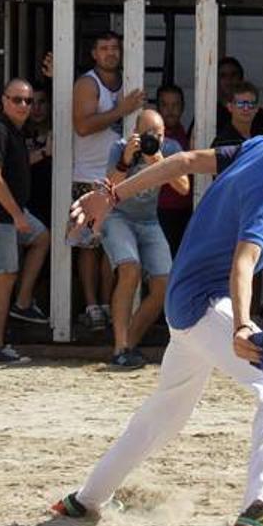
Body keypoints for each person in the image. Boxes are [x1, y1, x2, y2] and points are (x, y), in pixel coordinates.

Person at [52, 83, 263, 526]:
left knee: (163, 416)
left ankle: (85, 499)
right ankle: (260, 511)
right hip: (205, 304)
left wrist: (111, 195)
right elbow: (244, 261)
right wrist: (243, 325)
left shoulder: (262, 146)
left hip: (187, 303)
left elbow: (185, 162)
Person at [0, 78, 52, 364]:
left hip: (8, 213)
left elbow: (17, 164)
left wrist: (43, 154)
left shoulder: (14, 131)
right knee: (5, 277)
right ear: (4, 101)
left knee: (41, 238)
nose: (24, 106)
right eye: (17, 100)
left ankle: (23, 302)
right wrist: (16, 214)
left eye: (28, 101)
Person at [103, 109, 189, 370]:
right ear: (136, 133)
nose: (155, 139)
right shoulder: (120, 148)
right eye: (149, 135)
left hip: (149, 220)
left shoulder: (170, 149)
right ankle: (120, 347)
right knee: (130, 270)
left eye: (159, 134)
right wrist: (125, 161)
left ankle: (128, 344)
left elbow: (183, 187)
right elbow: (109, 189)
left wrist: (159, 160)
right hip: (118, 216)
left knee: (164, 285)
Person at [73, 31, 144, 331]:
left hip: (119, 176)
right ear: (94, 53)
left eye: (115, 47)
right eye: (104, 48)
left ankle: (106, 303)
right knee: (88, 246)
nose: (110, 53)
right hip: (88, 177)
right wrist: (120, 111)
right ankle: (91, 306)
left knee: (112, 246)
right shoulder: (88, 83)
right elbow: (83, 125)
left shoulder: (129, 80)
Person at [156, 83, 193, 256]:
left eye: (175, 105)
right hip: (159, 210)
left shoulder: (189, 135)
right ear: (157, 107)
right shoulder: (153, 139)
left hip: (186, 210)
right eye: (164, 105)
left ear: (183, 107)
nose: (170, 110)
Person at [214, 57, 263, 135]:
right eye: (223, 75)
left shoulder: (260, 116)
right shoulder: (210, 113)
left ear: (241, 78)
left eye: (233, 74)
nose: (229, 80)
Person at [26, 83, 54, 228]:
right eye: (32, 103)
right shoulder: (19, 132)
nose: (36, 109)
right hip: (27, 202)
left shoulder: (58, 130)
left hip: (54, 200)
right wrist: (44, 152)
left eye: (41, 102)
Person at [215, 80, 263, 145]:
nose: (246, 108)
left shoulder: (261, 138)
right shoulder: (223, 142)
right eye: (240, 104)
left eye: (251, 104)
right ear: (230, 107)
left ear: (257, 108)